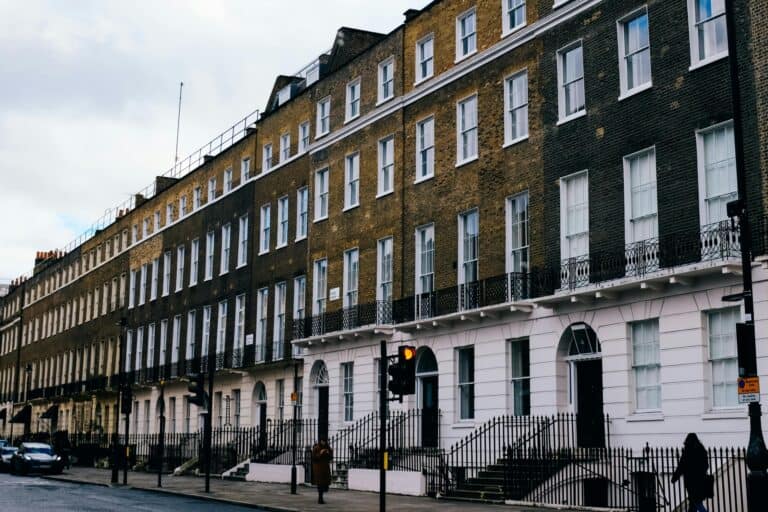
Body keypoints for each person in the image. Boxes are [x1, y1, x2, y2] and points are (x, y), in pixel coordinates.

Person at [672, 433, 710, 512]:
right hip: (700, 480)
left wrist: (675, 477)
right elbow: (706, 465)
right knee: (694, 503)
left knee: (696, 502)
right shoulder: (701, 450)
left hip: (690, 481)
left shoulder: (687, 450)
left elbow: (682, 465)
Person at [311, 439, 333, 504]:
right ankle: (320, 499)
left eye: (324, 441)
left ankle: (321, 498)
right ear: (320, 441)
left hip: (326, 469)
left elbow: (331, 457)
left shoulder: (328, 448)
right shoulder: (316, 448)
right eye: (322, 441)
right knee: (320, 484)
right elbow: (314, 458)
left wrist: (328, 453)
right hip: (318, 469)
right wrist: (320, 453)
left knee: (325, 484)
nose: (323, 442)